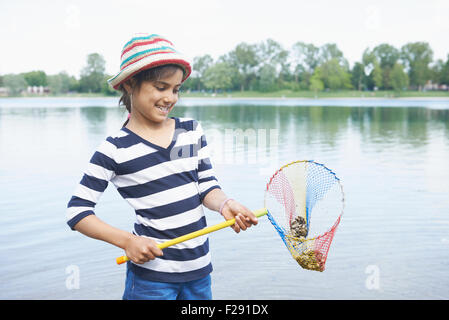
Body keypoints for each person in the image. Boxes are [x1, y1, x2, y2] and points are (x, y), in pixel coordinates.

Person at [66, 33, 258, 300]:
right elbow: (78, 212)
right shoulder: (115, 149)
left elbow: (206, 186)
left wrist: (226, 204)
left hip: (199, 272)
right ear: (131, 84)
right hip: (151, 280)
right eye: (160, 87)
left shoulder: (190, 131)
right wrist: (127, 241)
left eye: (176, 89)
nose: (170, 98)